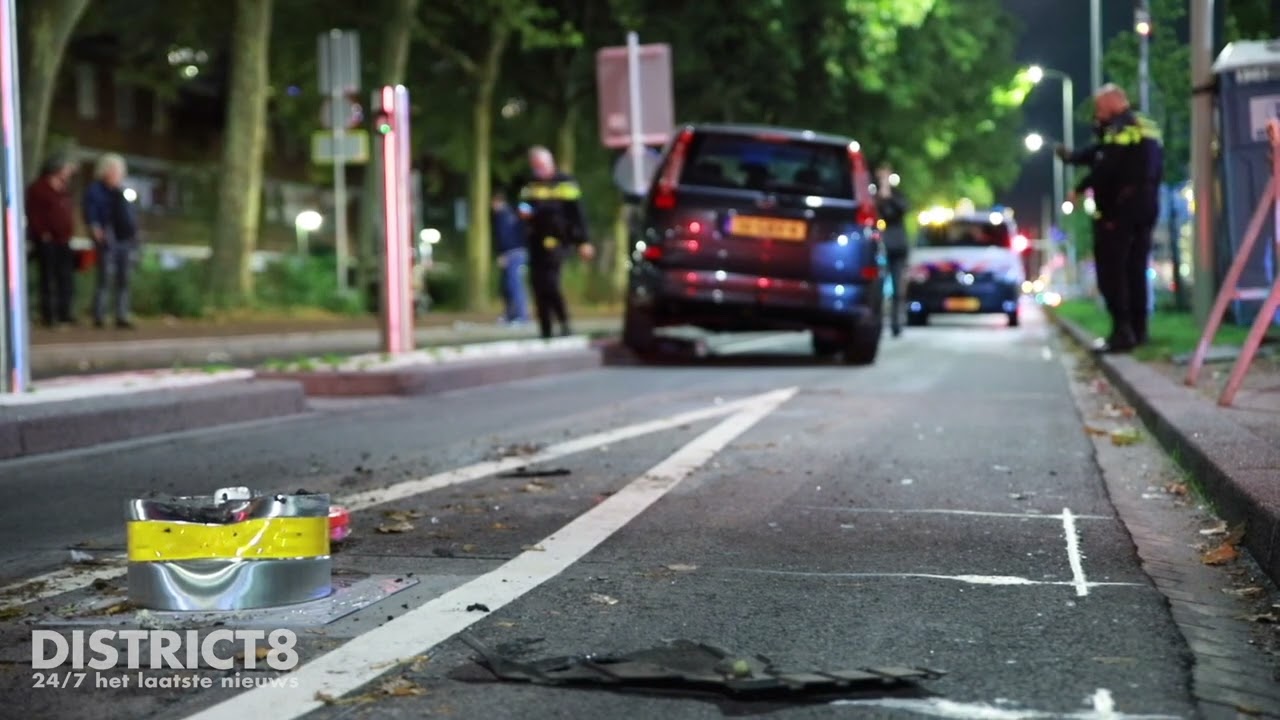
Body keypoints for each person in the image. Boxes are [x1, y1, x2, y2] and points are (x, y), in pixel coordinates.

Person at [1057, 85, 1163, 353]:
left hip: (1119, 210)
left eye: (1100, 108)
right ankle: (1139, 331)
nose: (1098, 114)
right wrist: (1074, 158)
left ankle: (1121, 332)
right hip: (1147, 205)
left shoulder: (1118, 129)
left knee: (1112, 273)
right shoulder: (1146, 125)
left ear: (1113, 103)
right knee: (1136, 270)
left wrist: (1080, 188)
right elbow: (1101, 152)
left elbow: (1106, 164)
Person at [517, 146, 594, 339]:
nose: (539, 170)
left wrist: (583, 241)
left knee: (550, 283)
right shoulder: (531, 184)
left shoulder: (566, 183)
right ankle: (545, 329)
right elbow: (524, 204)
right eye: (535, 166)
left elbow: (578, 213)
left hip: (560, 240)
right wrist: (524, 212)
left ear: (550, 163)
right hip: (536, 241)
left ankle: (564, 322)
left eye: (541, 165)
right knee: (537, 284)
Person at [83, 153, 139, 329]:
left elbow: (131, 212)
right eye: (114, 171)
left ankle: (122, 314)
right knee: (105, 278)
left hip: (125, 239)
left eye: (120, 171)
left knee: (124, 279)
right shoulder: (95, 190)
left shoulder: (123, 191)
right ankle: (99, 315)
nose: (118, 175)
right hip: (107, 238)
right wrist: (95, 228)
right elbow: (90, 212)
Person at [25, 155, 79, 328]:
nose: (68, 173)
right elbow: (34, 213)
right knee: (48, 277)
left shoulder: (64, 189)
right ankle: (49, 315)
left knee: (65, 277)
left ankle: (65, 313)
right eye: (66, 168)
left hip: (64, 239)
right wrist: (42, 232)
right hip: (47, 240)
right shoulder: (39, 188)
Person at [874, 163, 909, 337]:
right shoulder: (873, 195)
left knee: (897, 287)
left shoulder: (897, 195)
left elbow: (900, 211)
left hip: (897, 246)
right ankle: (876, 322)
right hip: (878, 246)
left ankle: (896, 322)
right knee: (876, 288)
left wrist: (888, 196)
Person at [492, 190, 529, 325]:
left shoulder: (503, 216)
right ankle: (511, 315)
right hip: (517, 252)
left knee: (514, 286)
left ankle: (520, 316)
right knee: (509, 286)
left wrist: (502, 254)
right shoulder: (513, 214)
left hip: (512, 254)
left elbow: (504, 237)